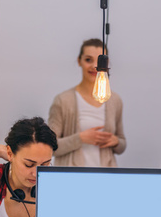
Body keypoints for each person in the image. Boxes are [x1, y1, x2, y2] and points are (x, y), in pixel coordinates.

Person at [48, 38, 126, 167]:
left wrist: (116, 141)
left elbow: (122, 145)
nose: (95, 66)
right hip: (72, 177)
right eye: (88, 60)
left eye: (100, 61)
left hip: (105, 177)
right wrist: (80, 138)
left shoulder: (114, 100)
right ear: (79, 61)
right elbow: (50, 147)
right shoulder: (63, 100)